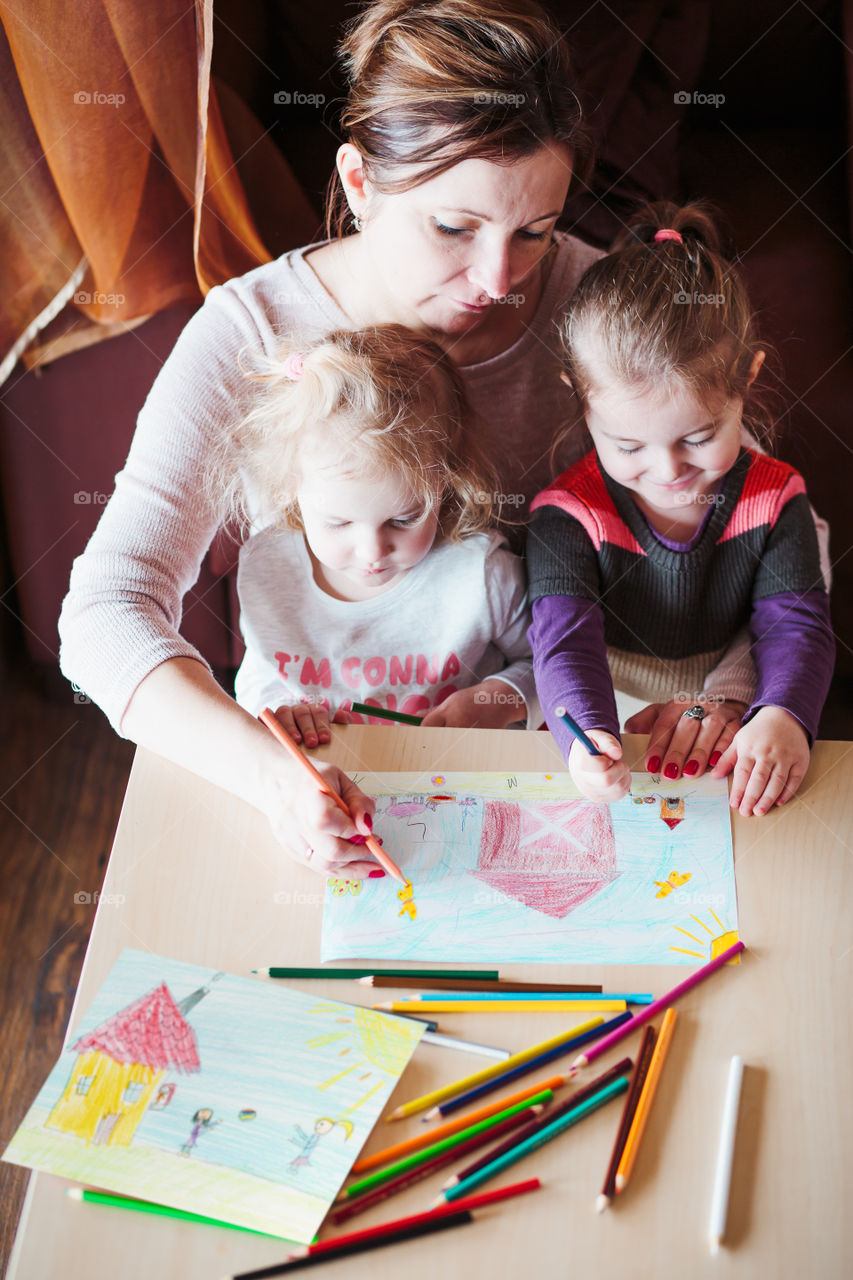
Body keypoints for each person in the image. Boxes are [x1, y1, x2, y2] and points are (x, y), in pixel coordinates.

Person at [57, 0, 823, 879]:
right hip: (335, 759)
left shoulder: (598, 311)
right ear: (357, 182)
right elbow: (107, 609)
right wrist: (273, 781)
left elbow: (757, 524)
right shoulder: (253, 333)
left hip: (572, 750)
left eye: (533, 231)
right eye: (453, 229)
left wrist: (726, 693)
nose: (499, 279)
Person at [526, 202, 835, 817]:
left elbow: (795, 625)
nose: (668, 472)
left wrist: (783, 715)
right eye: (629, 445)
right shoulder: (566, 513)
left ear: (748, 378)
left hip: (733, 702)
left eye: (697, 438)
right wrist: (588, 737)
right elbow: (564, 643)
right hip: (600, 709)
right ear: (580, 400)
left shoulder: (775, 498)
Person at [219, 325, 537, 781]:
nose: (373, 552)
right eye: (339, 523)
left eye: (403, 519)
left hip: (461, 779)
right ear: (291, 491)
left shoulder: (481, 575)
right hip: (329, 783)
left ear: (444, 484)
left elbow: (547, 666)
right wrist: (276, 710)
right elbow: (259, 672)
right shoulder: (270, 567)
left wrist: (493, 701)